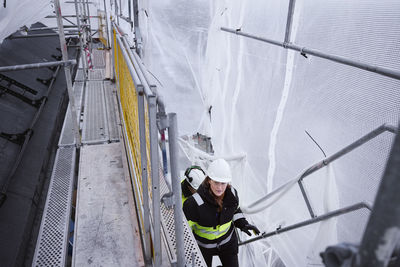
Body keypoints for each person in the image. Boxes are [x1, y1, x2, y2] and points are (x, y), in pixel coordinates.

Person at [183, 159, 260, 267]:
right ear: (209, 180)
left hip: (227, 244)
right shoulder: (193, 204)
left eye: (223, 183)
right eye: (216, 182)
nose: (219, 187)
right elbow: (184, 230)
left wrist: (243, 223)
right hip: (203, 247)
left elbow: (235, 210)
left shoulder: (232, 194)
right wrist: (187, 251)